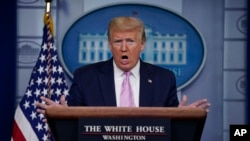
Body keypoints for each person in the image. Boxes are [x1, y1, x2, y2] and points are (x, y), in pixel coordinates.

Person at [36, 16, 210, 114]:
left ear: (142, 44)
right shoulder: (85, 77)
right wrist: (62, 117)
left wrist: (182, 118)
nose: (124, 47)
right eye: (118, 41)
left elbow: (171, 124)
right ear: (110, 44)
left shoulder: (163, 79)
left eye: (130, 41)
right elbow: (73, 119)